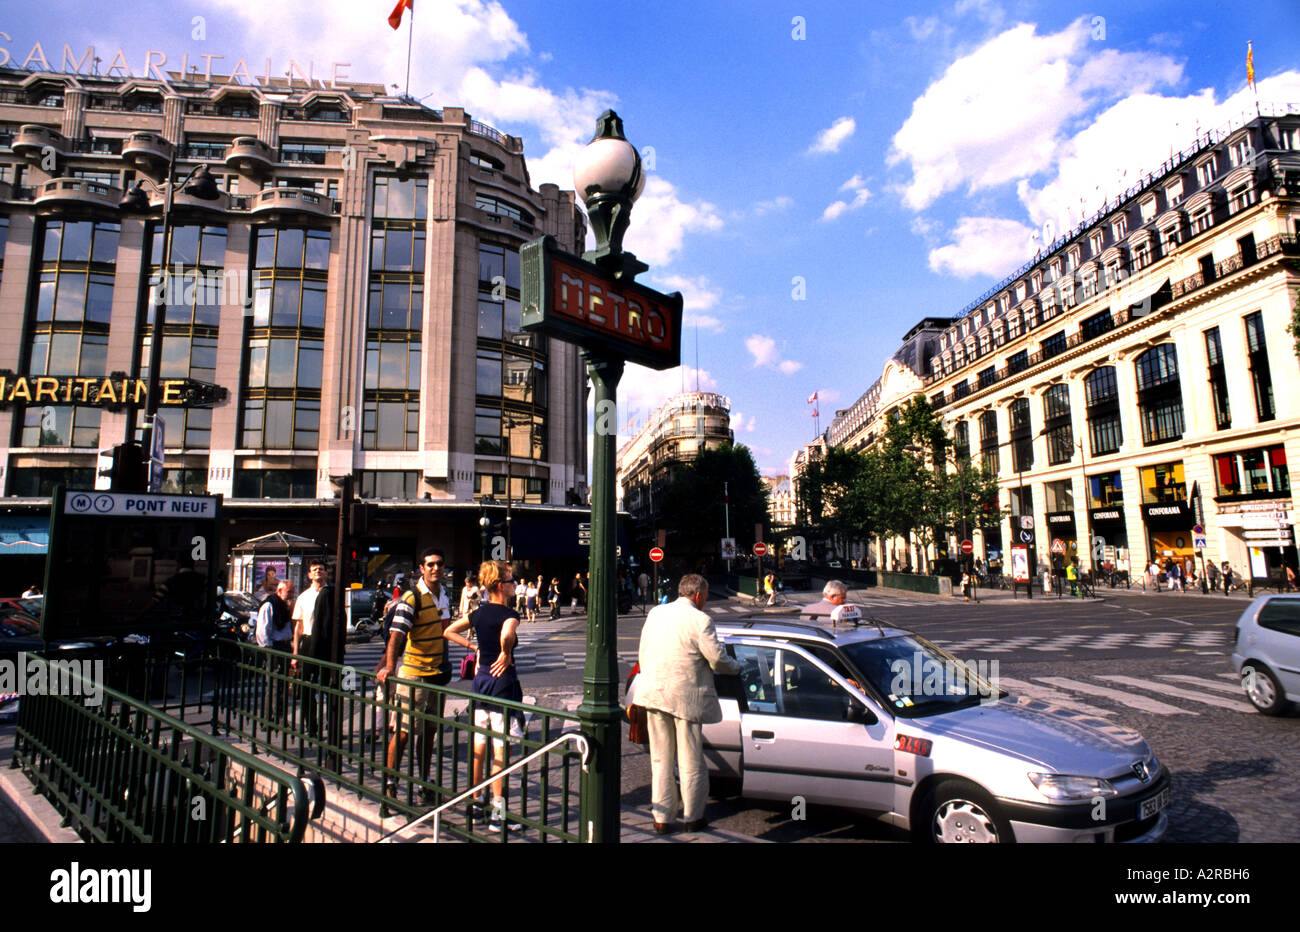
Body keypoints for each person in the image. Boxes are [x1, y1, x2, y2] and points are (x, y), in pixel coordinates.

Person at [635, 574, 740, 834]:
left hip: (654, 693)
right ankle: (693, 816)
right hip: (686, 698)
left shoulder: (656, 613)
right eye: (704, 597)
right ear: (698, 595)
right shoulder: (701, 620)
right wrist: (737, 667)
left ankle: (662, 817)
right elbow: (717, 660)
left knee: (660, 759)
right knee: (690, 760)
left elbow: (643, 652)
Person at [376, 547, 472, 816]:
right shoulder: (412, 597)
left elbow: (443, 632)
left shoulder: (443, 595)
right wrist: (390, 666)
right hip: (414, 673)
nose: (435, 568)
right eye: (430, 564)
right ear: (421, 568)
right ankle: (390, 784)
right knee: (404, 732)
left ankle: (423, 782)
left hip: (436, 674)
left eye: (440, 564)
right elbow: (397, 634)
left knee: (429, 732)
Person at [444, 560, 523, 832]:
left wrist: (473, 647)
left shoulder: (478, 613)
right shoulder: (509, 613)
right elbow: (507, 632)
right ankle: (497, 813)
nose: (515, 584)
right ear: (501, 586)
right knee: (501, 748)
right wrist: (505, 651)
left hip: (480, 682)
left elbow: (448, 630)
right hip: (503, 684)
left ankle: (476, 803)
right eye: (512, 581)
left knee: (479, 744)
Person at [291, 561, 334, 734]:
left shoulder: (331, 593)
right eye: (314, 570)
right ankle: (311, 725)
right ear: (309, 575)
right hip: (309, 643)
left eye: (321, 569)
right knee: (308, 687)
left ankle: (331, 724)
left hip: (326, 644)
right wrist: (295, 653)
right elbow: (298, 628)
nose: (318, 571)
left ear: (326, 574)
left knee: (330, 687)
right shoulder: (303, 597)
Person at [256, 580, 295, 724]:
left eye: (292, 591)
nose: (291, 595)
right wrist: (269, 649)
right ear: (279, 591)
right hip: (274, 647)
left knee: (282, 684)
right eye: (289, 591)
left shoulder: (284, 606)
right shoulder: (269, 605)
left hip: (284, 646)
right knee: (274, 684)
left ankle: (279, 716)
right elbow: (262, 631)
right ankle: (269, 719)